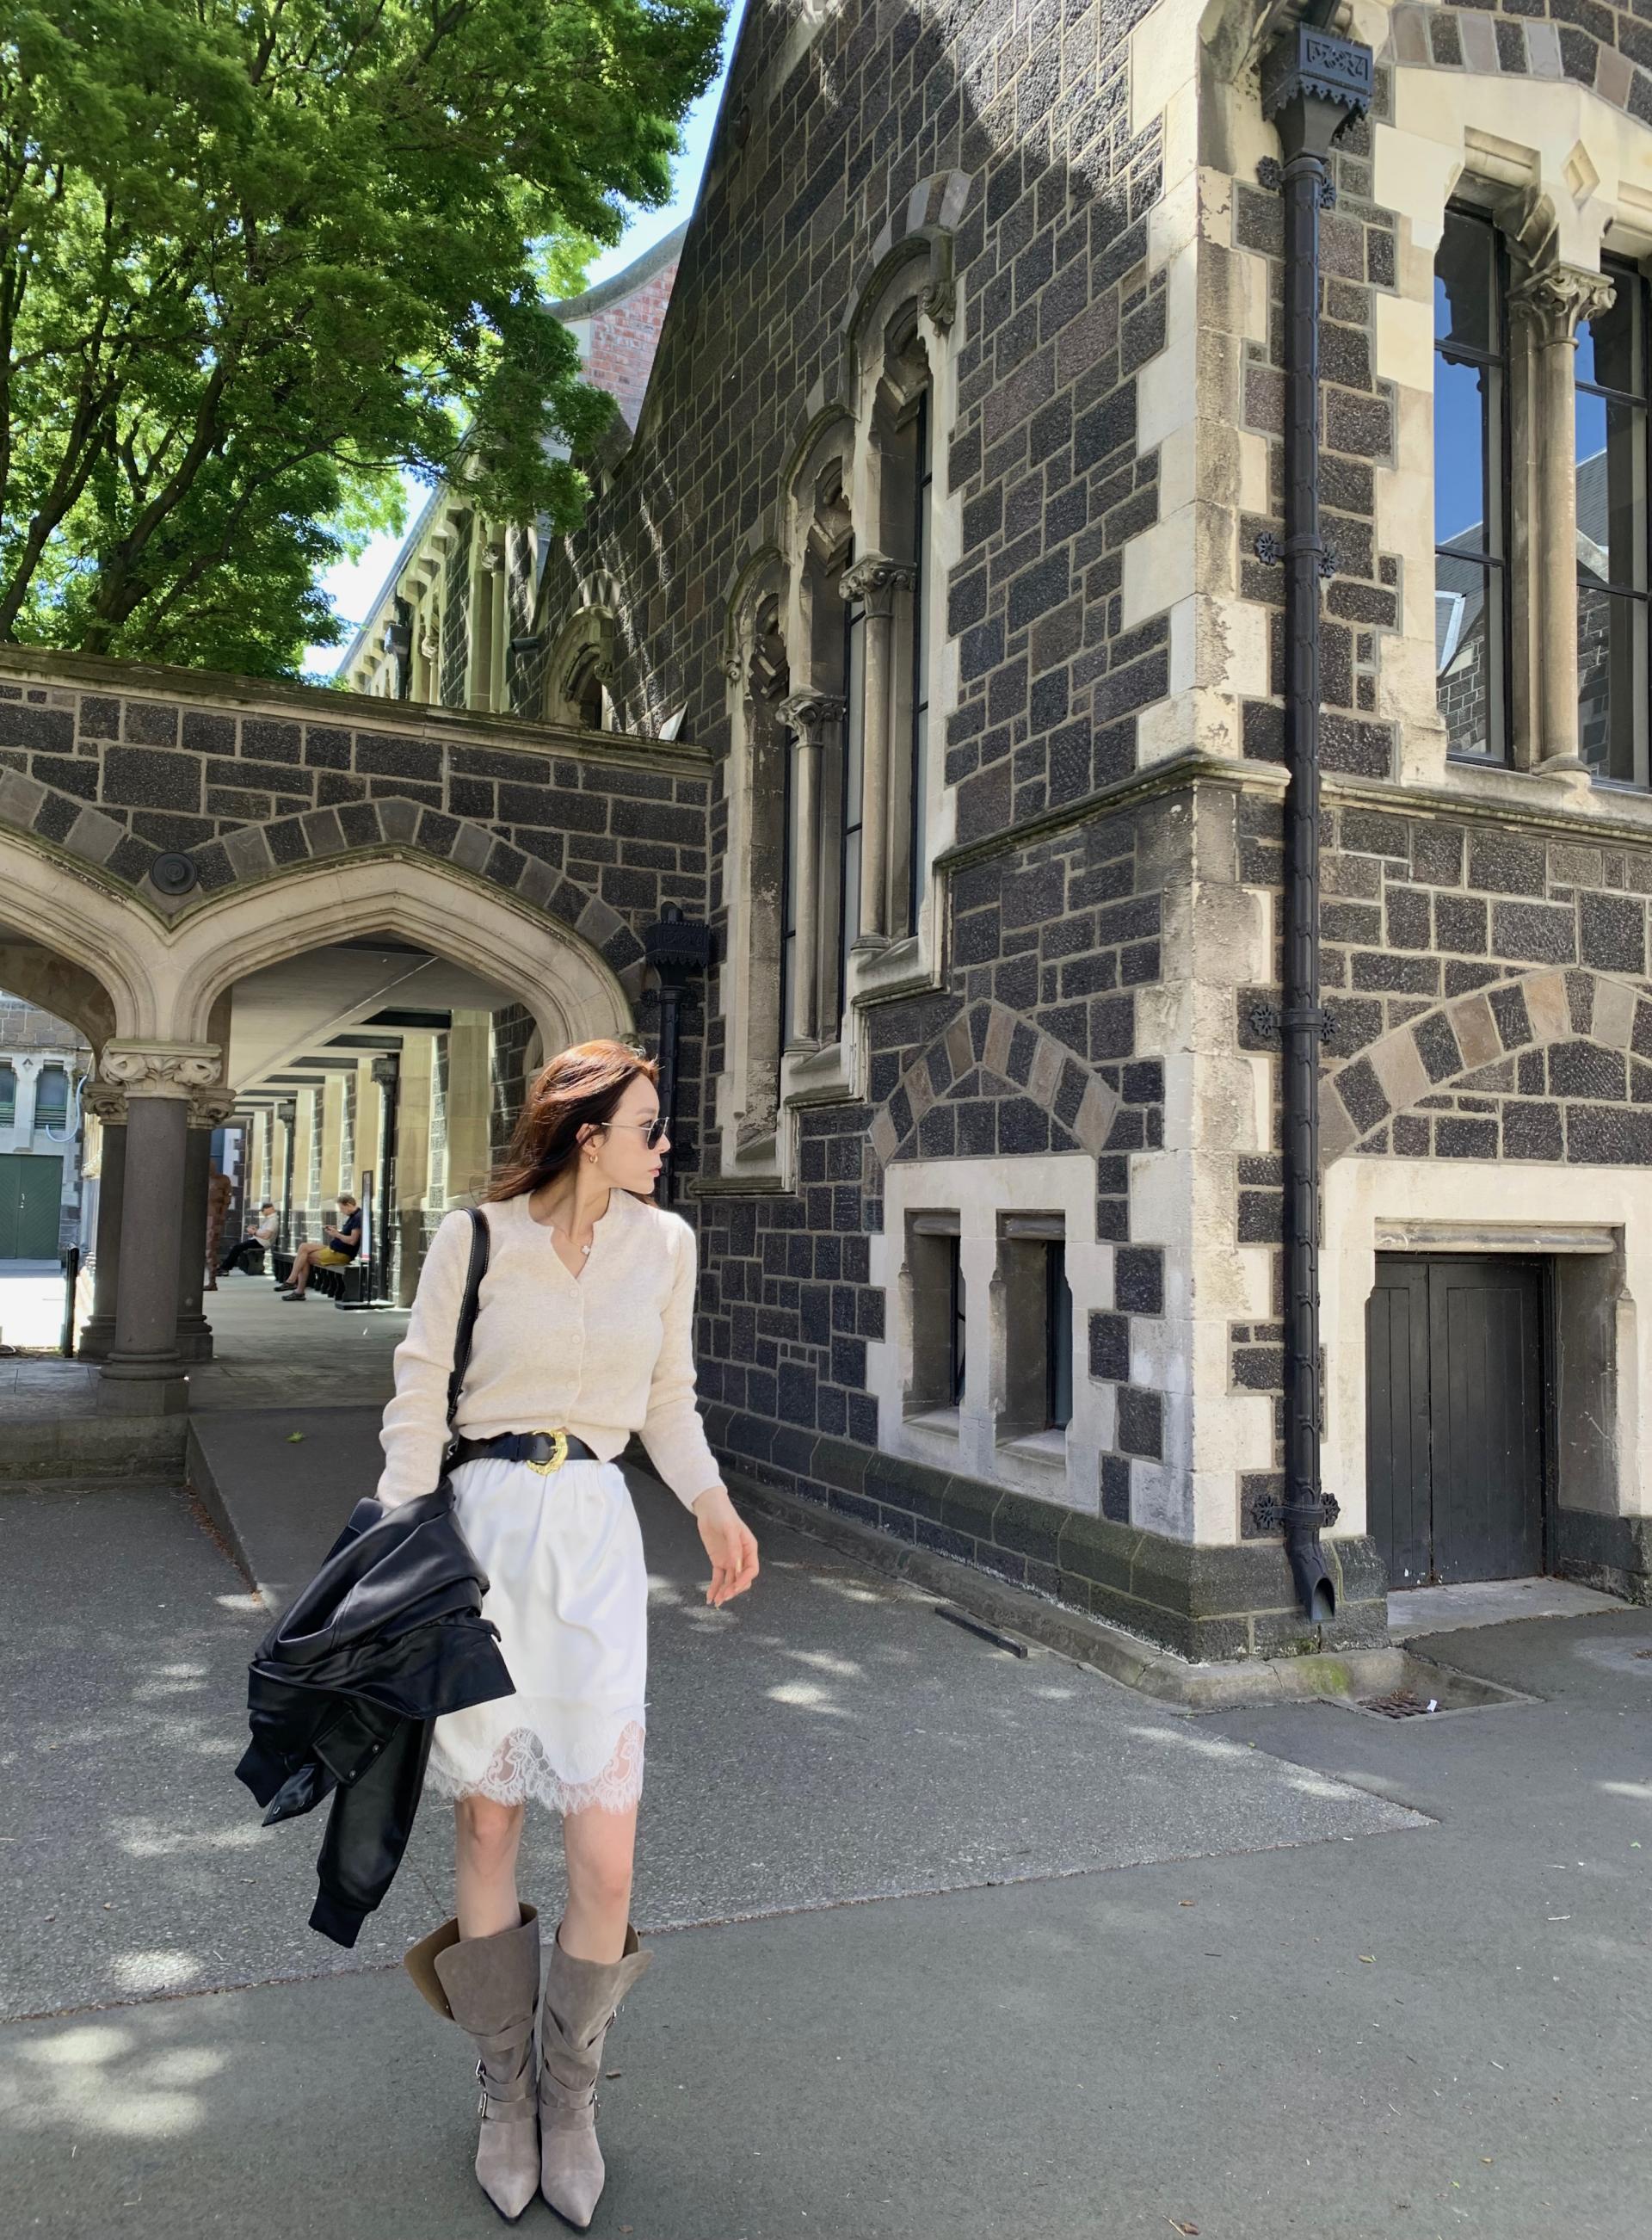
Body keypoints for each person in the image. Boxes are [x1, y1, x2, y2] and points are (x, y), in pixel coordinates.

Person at [381, 1039, 760, 2226]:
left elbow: (667, 1400)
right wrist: (394, 1549)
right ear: (588, 1135)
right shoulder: (475, 1238)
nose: (667, 1145)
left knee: (606, 1851)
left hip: (595, 1540)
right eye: (650, 1126)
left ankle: (572, 2094)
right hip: (483, 1539)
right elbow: (417, 1394)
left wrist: (711, 1502)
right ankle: (505, 2091)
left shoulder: (668, 1244)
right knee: (490, 1818)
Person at [279, 1194, 362, 1299]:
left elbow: (352, 1241)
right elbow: (347, 1235)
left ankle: (296, 1288)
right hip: (334, 1248)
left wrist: (337, 1234)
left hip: (341, 1254)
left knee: (304, 1258)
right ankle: (292, 1282)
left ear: (349, 1205)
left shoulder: (358, 1218)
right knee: (304, 1247)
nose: (341, 1211)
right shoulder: (353, 1216)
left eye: (342, 1208)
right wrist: (336, 1231)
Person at [219, 1200, 279, 1278]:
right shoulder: (270, 1219)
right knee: (238, 1247)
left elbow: (267, 1236)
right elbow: (264, 1232)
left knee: (237, 1247)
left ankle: (224, 1269)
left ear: (268, 1209)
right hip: (258, 1240)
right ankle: (225, 1268)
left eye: (263, 1210)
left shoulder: (272, 1220)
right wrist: (255, 1230)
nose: (262, 1212)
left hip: (261, 1242)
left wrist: (254, 1232)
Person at [202, 1163, 235, 1293]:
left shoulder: (223, 1180)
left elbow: (227, 1199)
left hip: (213, 1217)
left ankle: (212, 1281)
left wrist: (221, 1216)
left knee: (210, 1249)